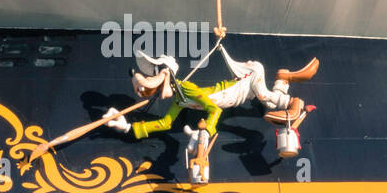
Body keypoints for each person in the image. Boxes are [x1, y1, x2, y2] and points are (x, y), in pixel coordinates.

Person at [105, 49, 319, 139]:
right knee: (269, 105)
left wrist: (207, 130)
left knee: (264, 98)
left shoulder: (186, 89)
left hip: (241, 85)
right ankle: (284, 78)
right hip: (237, 91)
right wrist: (126, 127)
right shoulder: (180, 99)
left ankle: (295, 104)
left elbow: (214, 108)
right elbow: (165, 123)